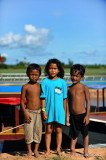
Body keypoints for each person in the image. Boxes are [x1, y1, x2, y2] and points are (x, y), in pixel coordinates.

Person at [40, 58, 67, 156]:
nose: (53, 70)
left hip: (59, 111)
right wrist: (43, 111)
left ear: (59, 70)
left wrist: (65, 112)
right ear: (47, 70)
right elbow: (43, 98)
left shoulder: (62, 82)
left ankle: (58, 149)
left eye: (55, 68)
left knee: (59, 130)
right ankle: (47, 150)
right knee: (48, 131)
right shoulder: (45, 82)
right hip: (48, 111)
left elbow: (64, 99)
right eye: (51, 68)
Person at [67, 64, 90, 158]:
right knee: (73, 134)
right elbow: (67, 103)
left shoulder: (84, 87)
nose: (74, 77)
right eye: (72, 75)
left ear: (82, 77)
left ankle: (86, 150)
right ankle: (72, 149)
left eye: (77, 76)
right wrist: (67, 115)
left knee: (85, 134)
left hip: (83, 114)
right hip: (73, 115)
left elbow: (88, 102)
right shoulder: (69, 88)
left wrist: (87, 116)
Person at [21, 63, 42, 157]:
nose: (34, 76)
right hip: (28, 112)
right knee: (28, 132)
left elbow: (43, 99)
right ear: (28, 74)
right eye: (31, 74)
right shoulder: (25, 87)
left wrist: (44, 111)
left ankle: (36, 150)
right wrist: (25, 113)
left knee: (38, 132)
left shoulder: (40, 86)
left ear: (39, 75)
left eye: (36, 74)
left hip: (38, 113)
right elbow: (21, 101)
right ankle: (29, 151)